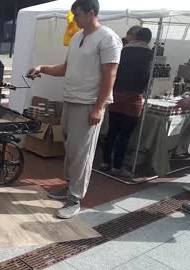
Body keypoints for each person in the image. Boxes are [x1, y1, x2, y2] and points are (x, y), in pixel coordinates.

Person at [28, 0, 122, 219]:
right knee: (70, 150)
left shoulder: (108, 38)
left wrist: (99, 107)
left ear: (91, 13)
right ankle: (68, 188)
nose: (74, 19)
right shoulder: (78, 37)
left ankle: (74, 199)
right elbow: (66, 68)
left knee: (82, 153)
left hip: (89, 103)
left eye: (76, 14)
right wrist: (42, 68)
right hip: (70, 100)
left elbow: (111, 75)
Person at [101, 28, 153, 177]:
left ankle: (105, 162)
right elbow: (147, 77)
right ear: (148, 40)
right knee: (125, 135)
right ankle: (117, 166)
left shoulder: (122, 51)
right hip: (134, 99)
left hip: (116, 94)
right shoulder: (149, 54)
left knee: (112, 131)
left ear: (135, 37)